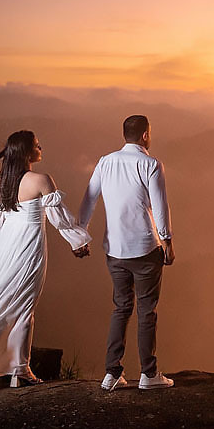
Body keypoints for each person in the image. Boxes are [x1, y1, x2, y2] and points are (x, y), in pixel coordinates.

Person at [0, 130, 93, 393]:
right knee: (20, 305)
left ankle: (18, 368)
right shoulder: (42, 180)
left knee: (4, 302)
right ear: (27, 152)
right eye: (37, 145)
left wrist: (5, 242)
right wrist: (78, 241)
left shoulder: (2, 182)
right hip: (28, 248)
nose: (41, 147)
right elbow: (60, 219)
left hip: (4, 249)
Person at [78, 115, 175, 391]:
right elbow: (160, 207)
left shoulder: (105, 162)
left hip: (115, 250)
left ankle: (112, 373)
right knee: (147, 311)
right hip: (145, 248)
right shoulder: (151, 165)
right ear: (145, 135)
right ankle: (149, 373)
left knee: (121, 308)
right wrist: (167, 241)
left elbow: (89, 198)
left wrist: (80, 234)